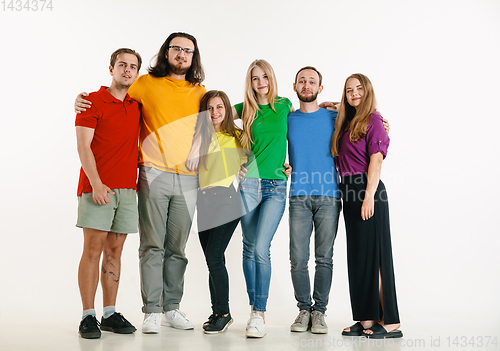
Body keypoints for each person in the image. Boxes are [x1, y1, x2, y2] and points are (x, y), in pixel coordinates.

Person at [75, 32, 207, 334]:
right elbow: (111, 93)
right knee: (149, 246)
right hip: (151, 175)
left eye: (188, 50)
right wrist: (79, 99)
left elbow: (218, 117)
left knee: (175, 248)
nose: (182, 54)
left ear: (193, 56)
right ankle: (149, 311)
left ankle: (169, 308)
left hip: (181, 179)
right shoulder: (144, 83)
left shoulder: (200, 92)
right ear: (166, 52)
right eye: (176, 48)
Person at [75, 48, 141, 339]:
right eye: (122, 65)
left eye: (133, 67)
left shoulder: (137, 105)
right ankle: (88, 316)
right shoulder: (91, 102)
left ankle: (109, 312)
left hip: (128, 191)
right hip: (97, 188)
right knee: (92, 250)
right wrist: (97, 183)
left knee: (115, 251)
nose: (127, 70)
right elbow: (83, 146)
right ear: (111, 68)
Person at [331, 73, 402, 339]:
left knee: (377, 256)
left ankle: (391, 321)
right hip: (348, 191)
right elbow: (337, 106)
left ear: (368, 90)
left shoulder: (373, 119)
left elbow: (376, 160)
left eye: (359, 89)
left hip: (366, 190)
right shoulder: (347, 121)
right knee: (360, 257)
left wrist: (369, 195)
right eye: (349, 90)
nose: (354, 94)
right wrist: (333, 104)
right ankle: (368, 317)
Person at [232, 59, 292, 338]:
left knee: (260, 247)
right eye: (255, 79)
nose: (260, 83)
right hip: (249, 185)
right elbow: (212, 114)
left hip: (276, 186)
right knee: (248, 247)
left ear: (271, 78)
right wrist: (234, 160)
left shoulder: (285, 105)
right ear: (250, 83)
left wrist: (334, 106)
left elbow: (308, 116)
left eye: (264, 77)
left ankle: (260, 312)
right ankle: (253, 310)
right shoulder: (245, 110)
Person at [186, 90, 247, 334]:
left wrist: (283, 166)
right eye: (209, 108)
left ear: (227, 108)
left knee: (213, 256)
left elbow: (259, 155)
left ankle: (224, 313)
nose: (215, 112)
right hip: (204, 201)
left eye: (219, 107)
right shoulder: (199, 136)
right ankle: (217, 311)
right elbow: (190, 163)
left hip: (226, 199)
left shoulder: (238, 135)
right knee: (214, 260)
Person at [287, 67, 341, 334]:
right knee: (298, 259)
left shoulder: (333, 116)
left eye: (312, 82)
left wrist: (337, 104)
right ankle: (303, 310)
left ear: (320, 89)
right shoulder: (288, 118)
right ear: (294, 86)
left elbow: (365, 110)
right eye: (302, 81)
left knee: (324, 258)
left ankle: (319, 311)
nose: (306, 85)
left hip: (329, 196)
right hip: (298, 195)